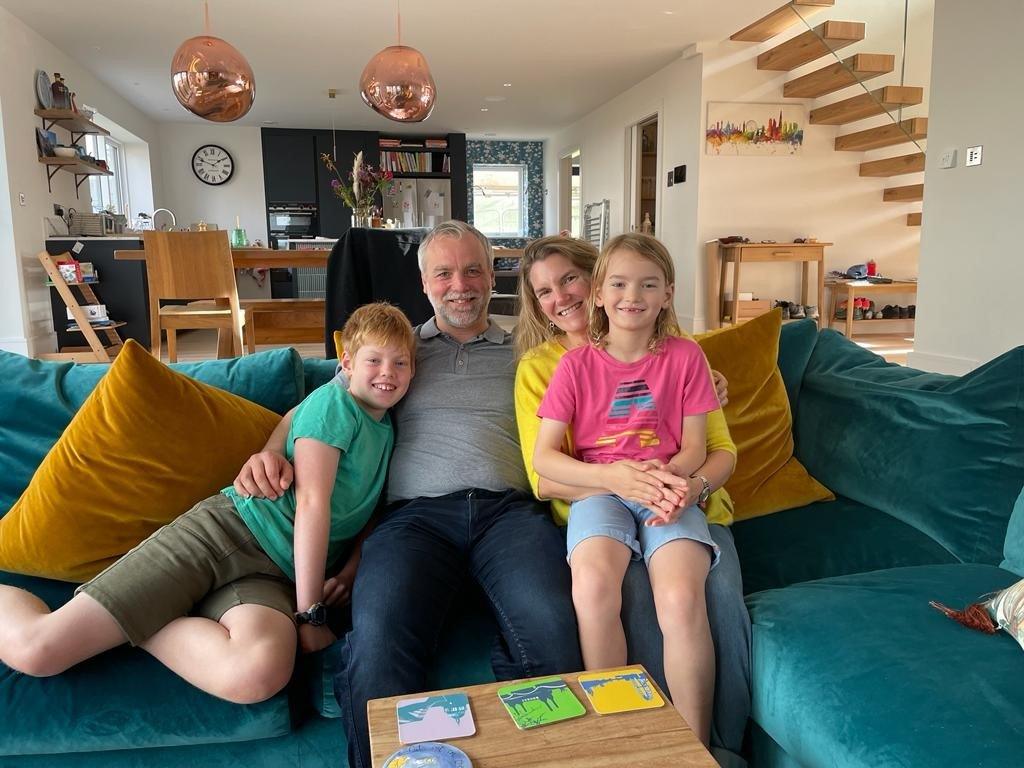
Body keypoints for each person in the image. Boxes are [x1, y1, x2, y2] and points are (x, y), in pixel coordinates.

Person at [232, 221, 582, 768]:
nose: (459, 285)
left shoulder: (530, 346)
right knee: (376, 644)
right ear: (424, 283)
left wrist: (702, 377)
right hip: (414, 522)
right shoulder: (396, 353)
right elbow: (314, 407)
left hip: (510, 516)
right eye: (443, 273)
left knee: (555, 629)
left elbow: (614, 356)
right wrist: (271, 448)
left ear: (494, 276)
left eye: (472, 270)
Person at [0, 302, 415, 705]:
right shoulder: (336, 404)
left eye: (401, 363)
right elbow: (311, 504)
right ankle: (135, 611)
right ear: (346, 363)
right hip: (225, 535)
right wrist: (309, 614)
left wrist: (346, 570)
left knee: (257, 673)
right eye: (374, 360)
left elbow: (297, 419)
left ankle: (147, 615)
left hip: (273, 575)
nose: (388, 373)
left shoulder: (382, 426)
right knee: (37, 650)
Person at [514, 234, 751, 759]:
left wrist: (675, 481)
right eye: (618, 284)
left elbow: (704, 447)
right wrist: (620, 476)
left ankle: (696, 748)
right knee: (594, 589)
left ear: (667, 293)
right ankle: (620, 738)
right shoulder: (561, 367)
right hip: (600, 492)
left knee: (683, 596)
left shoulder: (687, 356)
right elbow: (544, 468)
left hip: (673, 491)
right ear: (603, 291)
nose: (631, 296)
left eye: (568, 279)